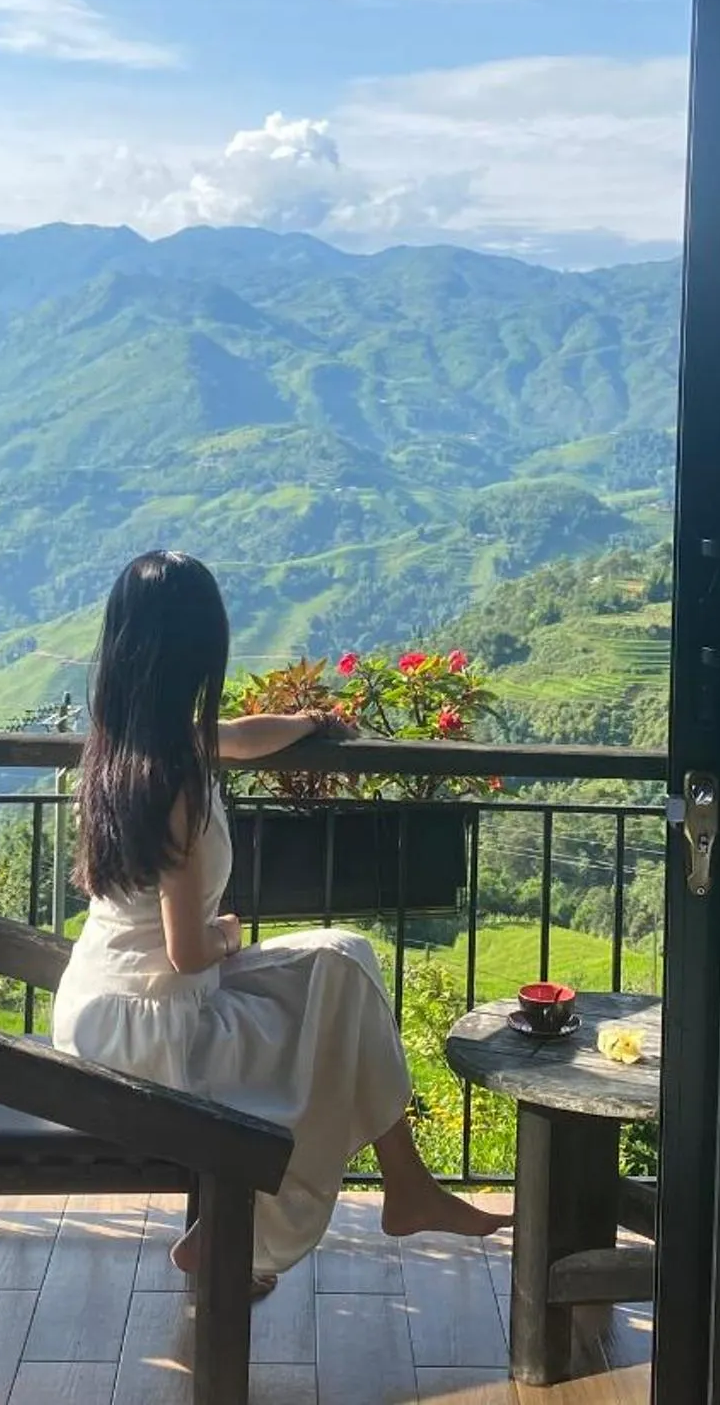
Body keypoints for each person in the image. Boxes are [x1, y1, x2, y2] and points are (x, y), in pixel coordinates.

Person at [53, 549, 507, 1290]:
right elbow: (190, 951)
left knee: (345, 959)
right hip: (155, 1033)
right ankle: (241, 1237)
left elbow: (236, 735)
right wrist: (231, 933)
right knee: (320, 1046)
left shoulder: (125, 747)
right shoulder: (178, 784)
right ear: (199, 650)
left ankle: (408, 1185)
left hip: (105, 1010)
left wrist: (307, 722)